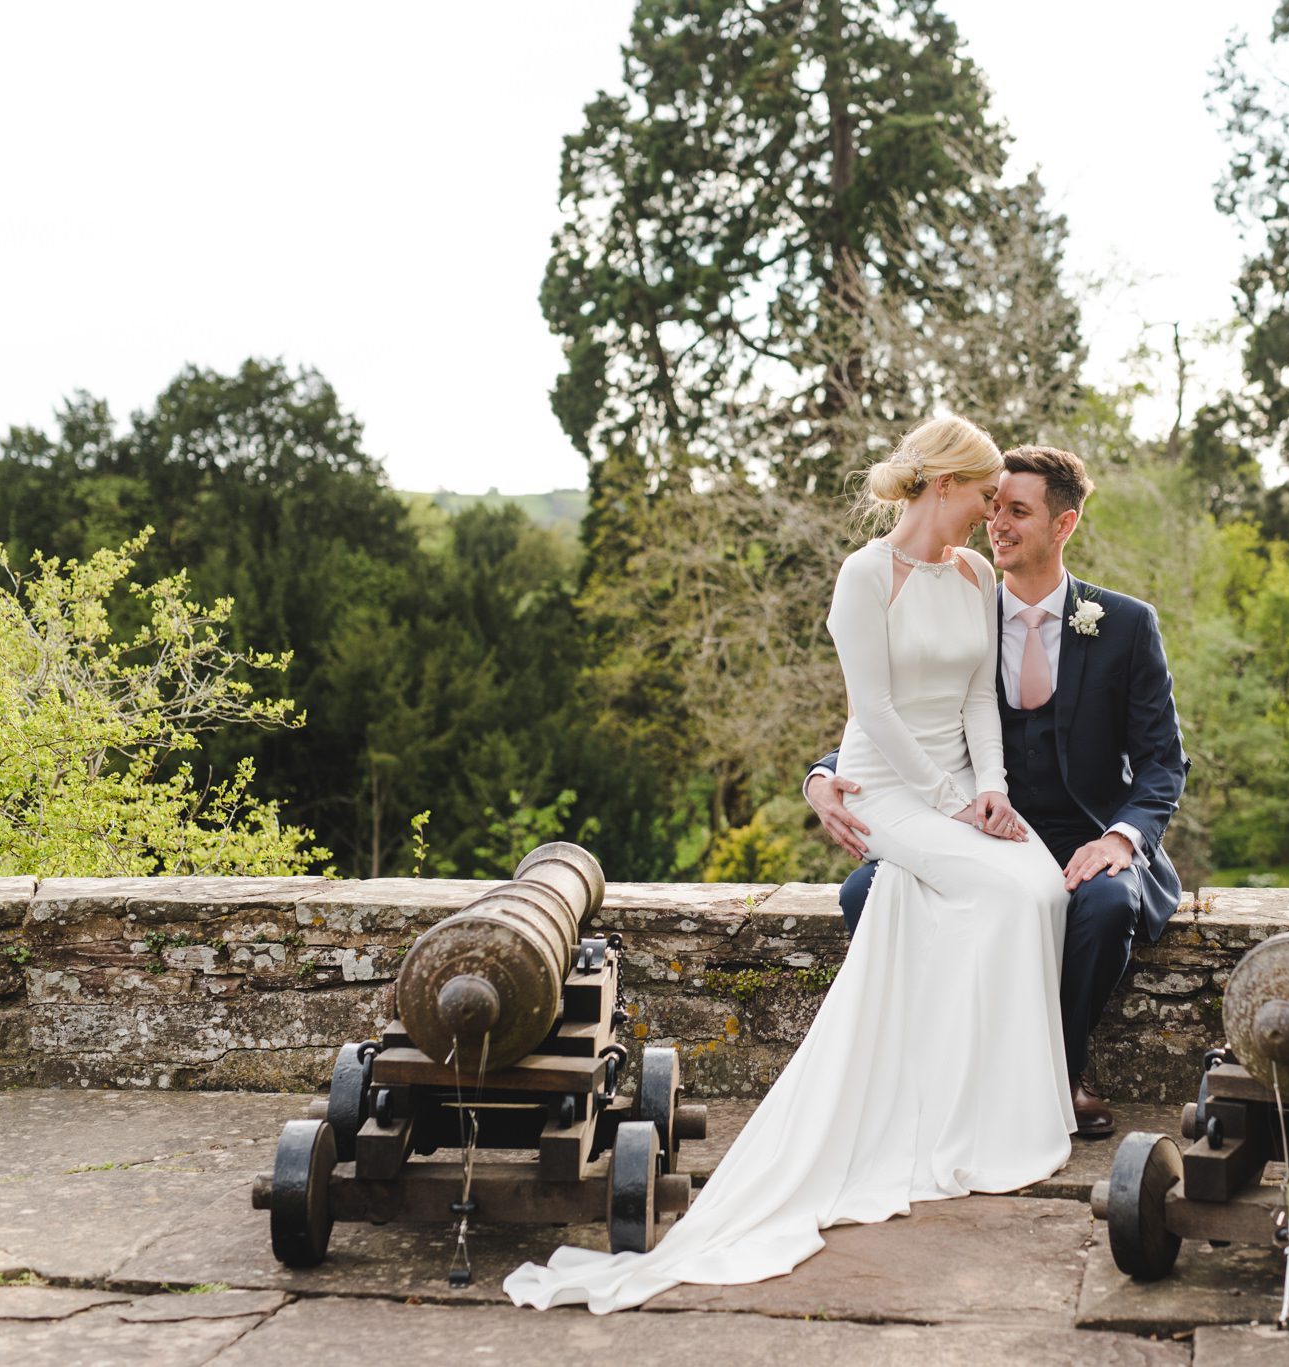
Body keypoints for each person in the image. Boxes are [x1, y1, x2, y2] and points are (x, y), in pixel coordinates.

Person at [506, 415, 1074, 1314]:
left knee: (1040, 885)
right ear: (942, 487)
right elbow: (874, 710)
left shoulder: (973, 576)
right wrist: (941, 799)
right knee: (1003, 893)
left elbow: (978, 698)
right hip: (887, 789)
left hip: (965, 784)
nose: (990, 509)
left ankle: (1004, 1110)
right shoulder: (864, 576)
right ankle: (965, 1126)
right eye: (981, 492)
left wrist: (992, 791)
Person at [805, 445, 1187, 1139]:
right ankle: (933, 1082)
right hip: (974, 824)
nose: (996, 522)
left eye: (1017, 510)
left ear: (1064, 525)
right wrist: (824, 773)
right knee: (865, 893)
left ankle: (1064, 1074)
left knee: (1103, 905)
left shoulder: (1126, 624)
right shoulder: (968, 594)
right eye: (993, 505)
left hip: (1086, 831)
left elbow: (1164, 764)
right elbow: (896, 704)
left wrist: (1120, 839)